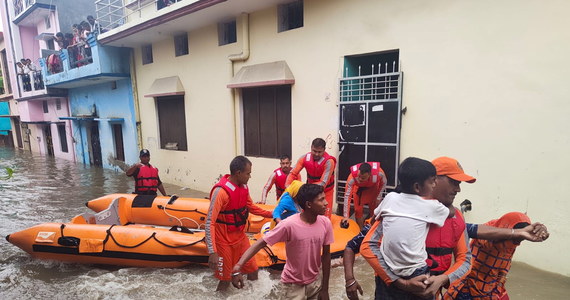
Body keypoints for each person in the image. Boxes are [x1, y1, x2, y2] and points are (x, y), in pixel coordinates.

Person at [359, 156, 549, 299]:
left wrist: (442, 280)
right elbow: (368, 246)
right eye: (454, 181)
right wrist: (402, 283)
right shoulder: (400, 208)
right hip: (390, 288)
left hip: (429, 289)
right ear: (433, 180)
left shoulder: (454, 216)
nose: (458, 189)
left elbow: (465, 259)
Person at [231, 184, 333, 300]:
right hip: (292, 286)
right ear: (309, 204)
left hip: (315, 284)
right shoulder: (288, 225)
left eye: (324, 198)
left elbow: (326, 255)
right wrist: (238, 267)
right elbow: (260, 243)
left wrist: (325, 288)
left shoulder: (325, 223)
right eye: (321, 200)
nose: (326, 203)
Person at [374, 157, 451, 298]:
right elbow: (449, 212)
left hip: (387, 270)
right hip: (416, 272)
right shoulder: (432, 206)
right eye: (432, 181)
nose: (435, 185)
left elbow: (376, 215)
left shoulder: (390, 198)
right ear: (417, 187)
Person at [205, 156, 273, 291]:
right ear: (238, 173)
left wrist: (273, 214)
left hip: (240, 237)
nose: (250, 176)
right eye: (248, 173)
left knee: (253, 270)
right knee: (225, 280)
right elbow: (209, 222)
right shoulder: (221, 192)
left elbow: (252, 207)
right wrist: (212, 252)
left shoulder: (244, 187)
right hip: (223, 240)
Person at [443, 212, 542, 300]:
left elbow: (504, 267)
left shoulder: (511, 244)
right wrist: (515, 233)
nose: (517, 243)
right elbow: (462, 229)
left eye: (520, 240)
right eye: (516, 238)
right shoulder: (487, 236)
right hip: (467, 290)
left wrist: (499, 285)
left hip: (490, 290)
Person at [286, 138, 336, 218]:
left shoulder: (329, 162)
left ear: (324, 150)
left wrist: (303, 188)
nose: (316, 154)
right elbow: (292, 173)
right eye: (314, 151)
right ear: (311, 148)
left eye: (319, 152)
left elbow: (322, 184)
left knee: (325, 217)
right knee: (305, 215)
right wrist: (288, 186)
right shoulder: (304, 158)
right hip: (309, 192)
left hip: (325, 192)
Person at [342, 162, 387, 229]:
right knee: (358, 210)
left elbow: (384, 183)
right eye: (359, 176)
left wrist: (379, 197)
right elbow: (347, 196)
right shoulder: (351, 178)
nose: (360, 179)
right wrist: (346, 216)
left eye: (363, 178)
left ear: (370, 174)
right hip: (359, 191)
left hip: (373, 189)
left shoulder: (379, 173)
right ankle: (360, 230)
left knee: (375, 211)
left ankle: (372, 229)